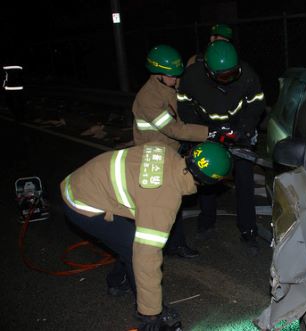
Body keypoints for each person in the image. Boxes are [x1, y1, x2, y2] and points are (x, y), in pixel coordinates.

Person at [60, 141, 232, 331]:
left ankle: (117, 282)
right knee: (135, 249)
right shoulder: (163, 201)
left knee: (129, 242)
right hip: (83, 202)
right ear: (208, 182)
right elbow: (146, 258)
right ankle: (146, 313)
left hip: (83, 181)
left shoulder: (167, 151)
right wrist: (152, 312)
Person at [177, 40, 265, 256]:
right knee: (207, 179)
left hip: (238, 132)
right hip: (208, 133)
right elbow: (184, 105)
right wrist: (201, 132)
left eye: (233, 73)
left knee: (244, 180)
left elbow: (257, 104)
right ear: (208, 71)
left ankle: (248, 230)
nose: (230, 79)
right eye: (223, 76)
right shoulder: (192, 77)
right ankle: (207, 222)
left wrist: (244, 128)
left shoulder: (247, 75)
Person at [132, 44, 213, 258]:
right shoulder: (148, 98)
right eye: (172, 76)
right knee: (156, 207)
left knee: (172, 203)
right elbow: (174, 129)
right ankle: (132, 263)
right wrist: (208, 132)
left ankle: (174, 245)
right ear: (157, 74)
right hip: (152, 157)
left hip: (169, 152)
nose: (176, 79)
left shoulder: (170, 87)